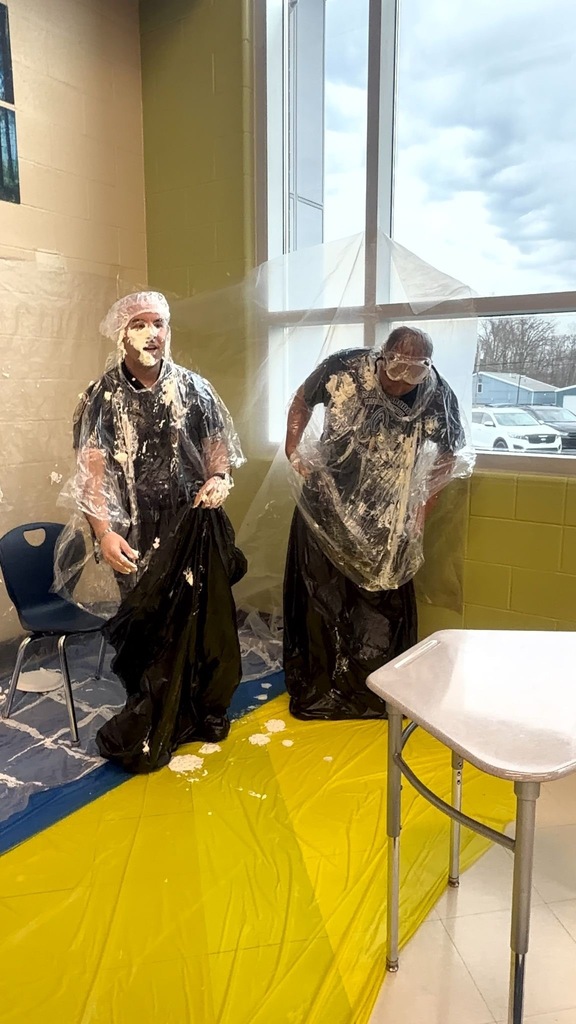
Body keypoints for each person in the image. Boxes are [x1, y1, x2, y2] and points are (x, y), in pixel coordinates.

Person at [63, 291, 246, 771]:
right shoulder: (100, 399)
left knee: (203, 621)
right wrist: (103, 534)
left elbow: (215, 449)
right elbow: (92, 478)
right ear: (121, 333)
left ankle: (204, 710)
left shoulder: (195, 390)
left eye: (159, 323)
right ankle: (152, 710)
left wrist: (219, 479)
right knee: (149, 628)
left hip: (192, 526)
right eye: (140, 324)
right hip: (134, 534)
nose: (152, 334)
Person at [283, 325, 467, 721]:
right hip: (327, 505)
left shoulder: (435, 393)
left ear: (425, 369)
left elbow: (449, 452)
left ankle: (375, 687)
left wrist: (420, 509)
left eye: (412, 376)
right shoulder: (343, 369)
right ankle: (322, 686)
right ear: (381, 356)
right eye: (393, 372)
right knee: (323, 595)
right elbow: (302, 400)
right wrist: (294, 449)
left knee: (379, 604)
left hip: (386, 517)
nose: (400, 385)